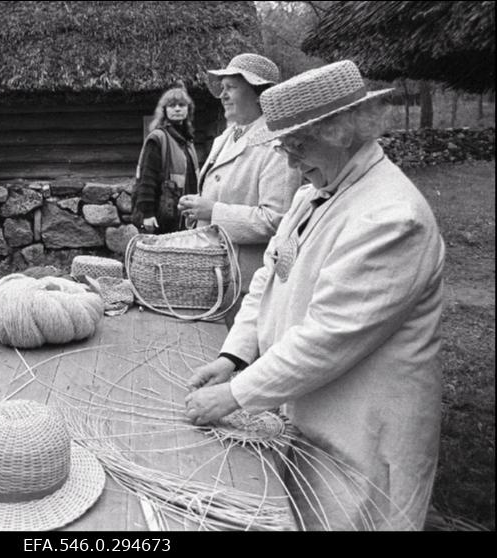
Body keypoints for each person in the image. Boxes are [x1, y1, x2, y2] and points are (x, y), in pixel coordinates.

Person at [184, 60, 445, 530]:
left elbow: (329, 337)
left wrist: (233, 396)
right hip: (311, 408)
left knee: (357, 521)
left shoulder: (391, 218)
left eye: (298, 144)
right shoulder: (315, 191)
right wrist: (234, 357)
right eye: (283, 145)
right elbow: (270, 274)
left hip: (364, 428)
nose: (289, 161)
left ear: (342, 130)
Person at [178, 53, 301, 326]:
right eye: (221, 89)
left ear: (259, 95)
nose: (222, 95)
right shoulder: (226, 137)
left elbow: (277, 220)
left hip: (247, 283)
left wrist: (213, 211)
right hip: (214, 274)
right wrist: (198, 211)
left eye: (231, 87)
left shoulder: (277, 145)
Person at [130, 86, 199, 234]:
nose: (177, 109)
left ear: (188, 110)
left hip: (184, 213)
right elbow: (147, 177)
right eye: (172, 106)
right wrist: (147, 214)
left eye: (181, 105)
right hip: (163, 214)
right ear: (165, 110)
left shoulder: (188, 142)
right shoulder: (157, 138)